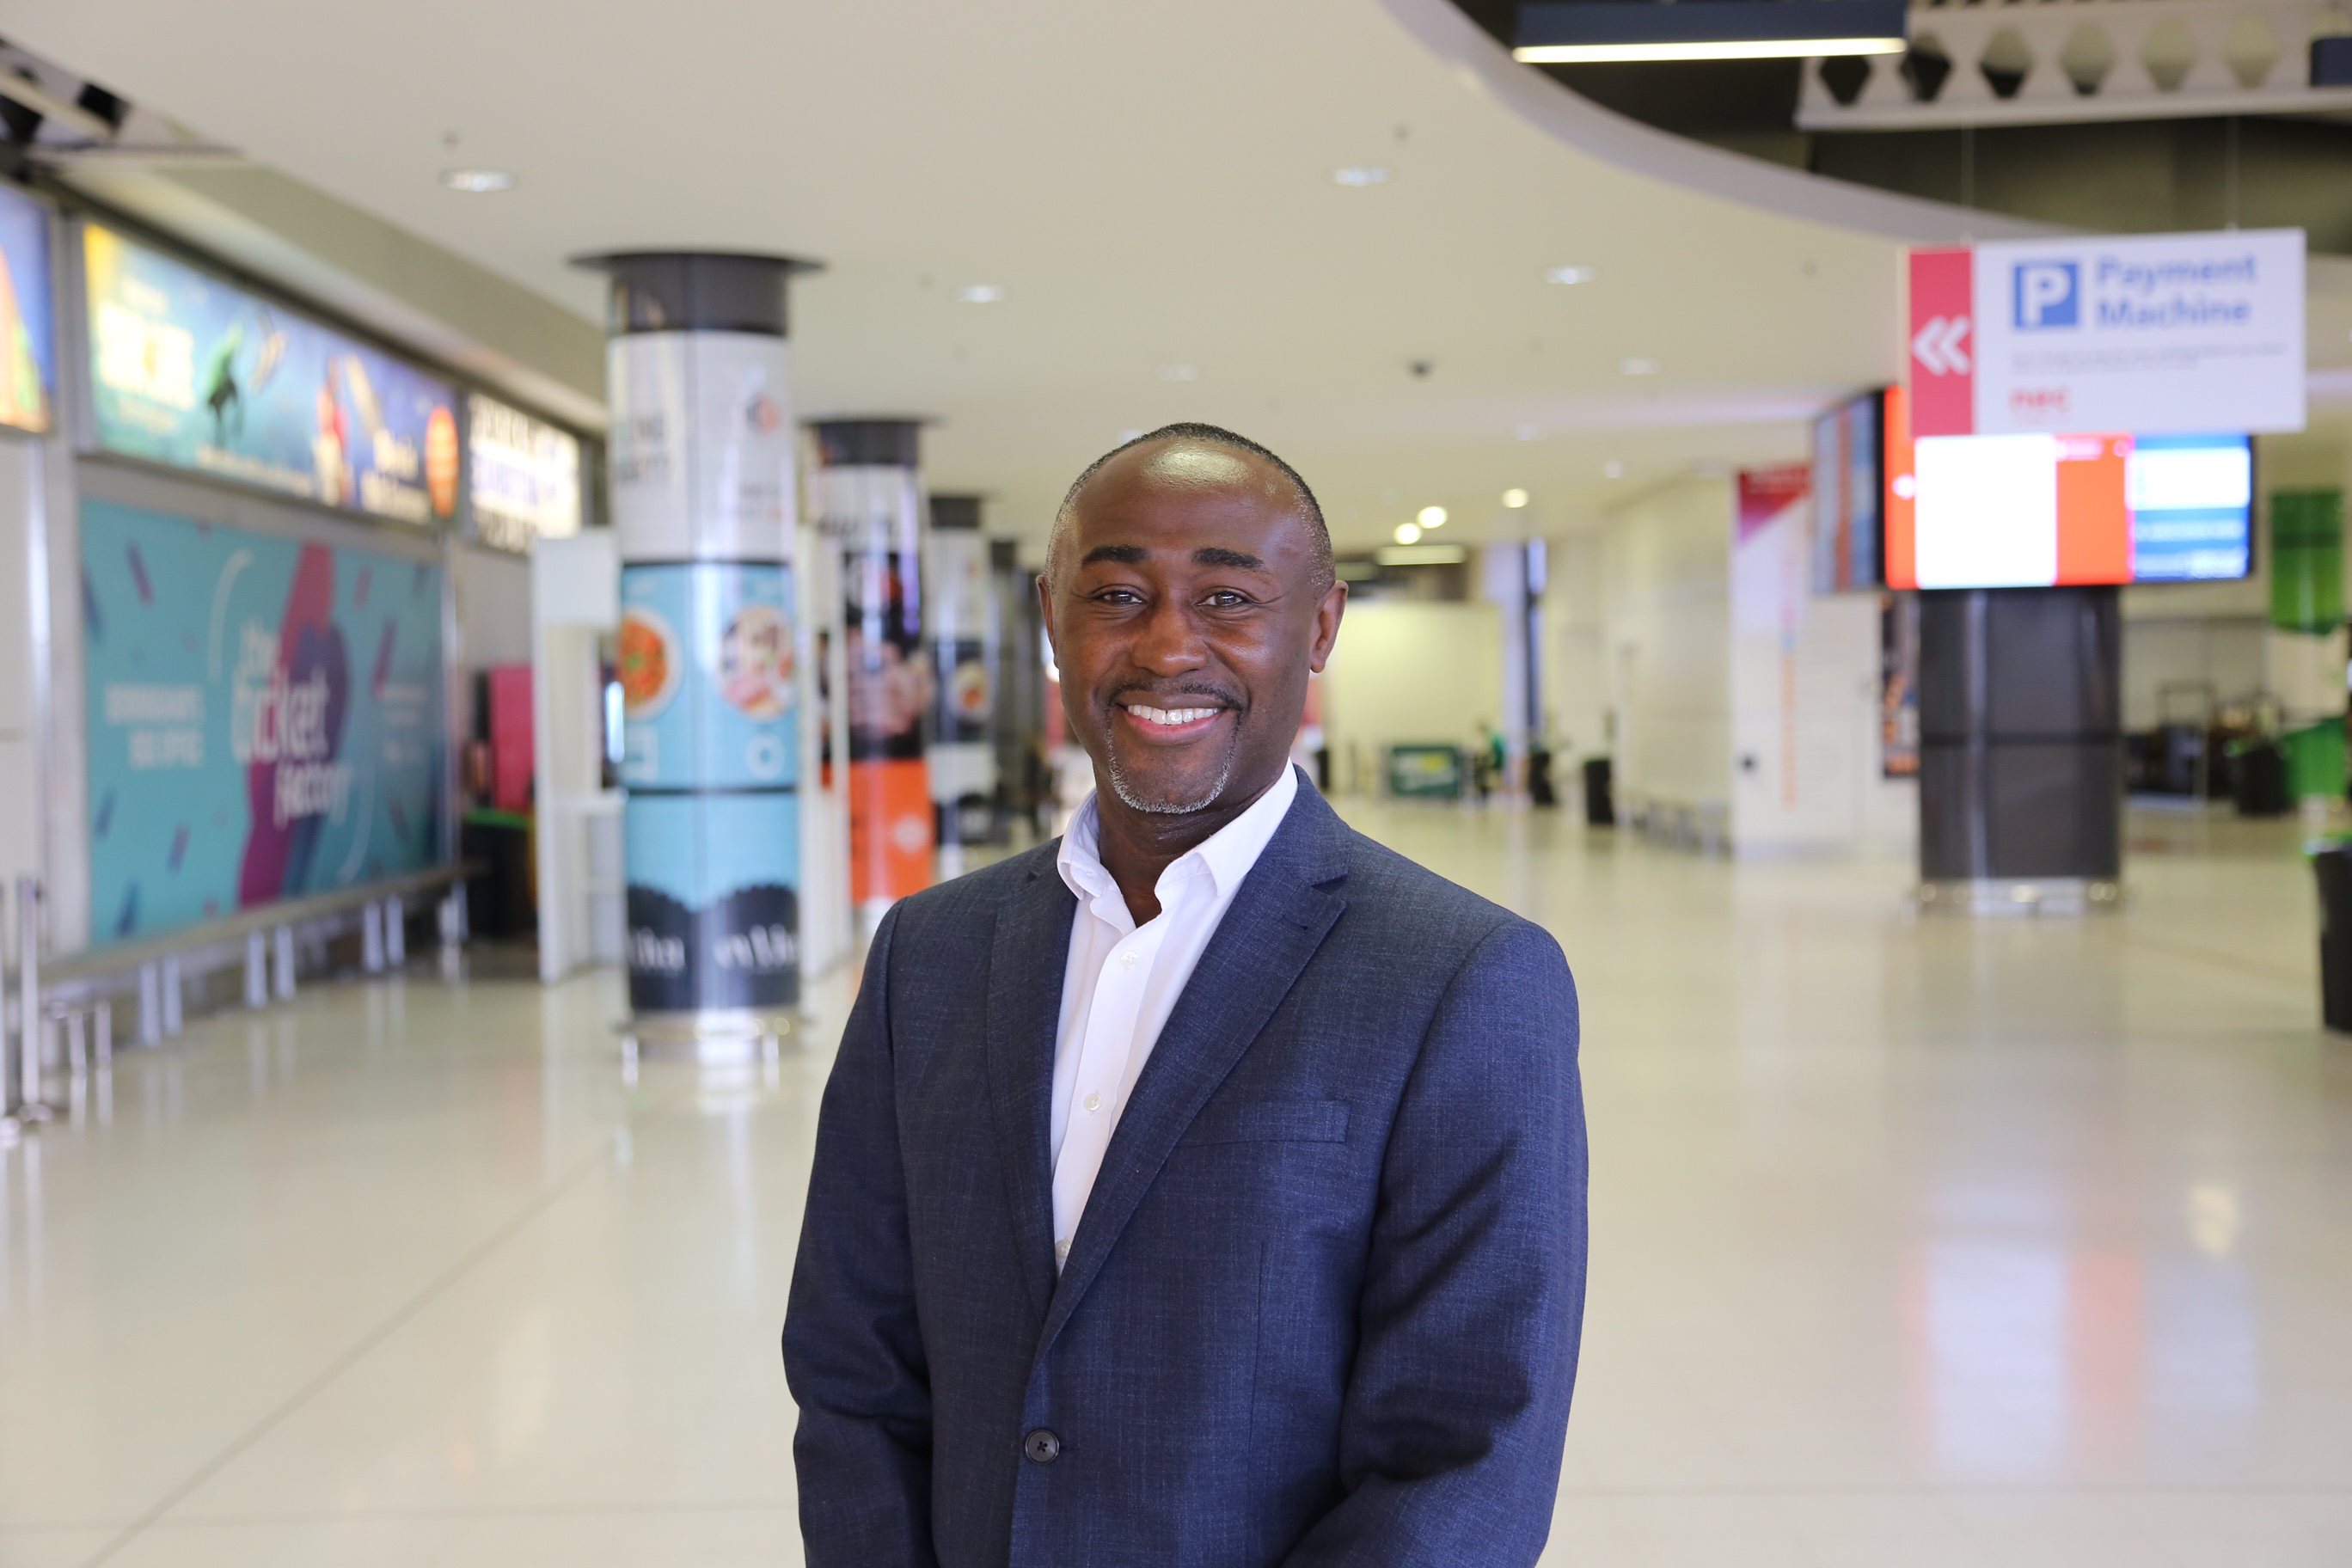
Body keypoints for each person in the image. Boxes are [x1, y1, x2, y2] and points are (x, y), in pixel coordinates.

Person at [783, 422, 1588, 1566]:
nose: (1167, 648)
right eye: (1117, 595)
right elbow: (852, 1363)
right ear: (1052, 620)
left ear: (1320, 627)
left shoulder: (1461, 978)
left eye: (1228, 600)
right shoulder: (932, 952)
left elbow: (1469, 1454)